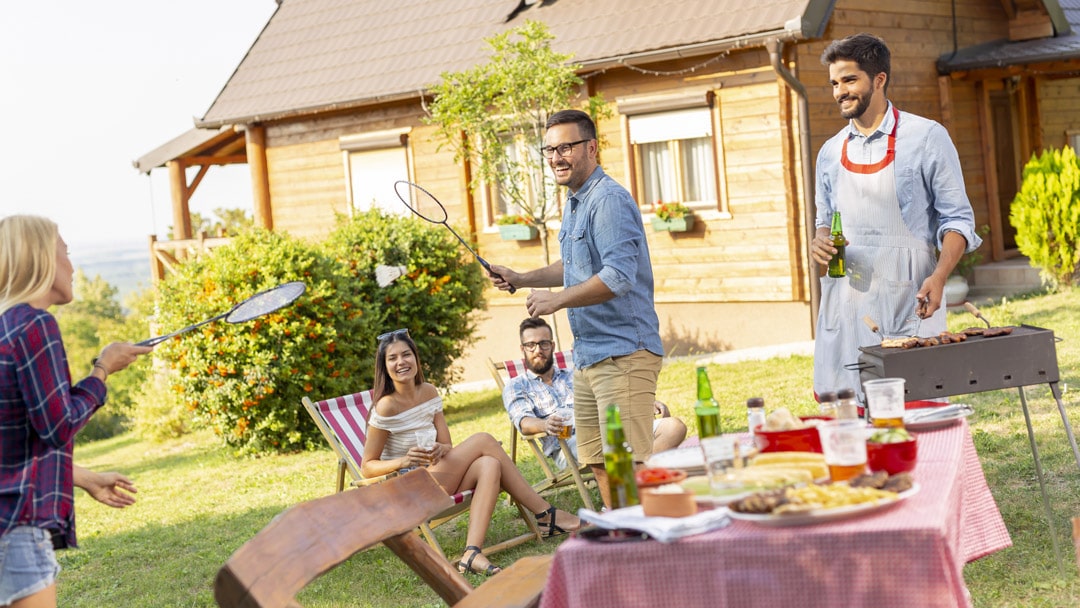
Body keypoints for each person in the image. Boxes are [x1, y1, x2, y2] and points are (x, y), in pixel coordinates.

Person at [488, 109, 664, 509]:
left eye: (565, 147)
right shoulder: (574, 202)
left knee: (626, 462)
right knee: (599, 461)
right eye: (548, 149)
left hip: (624, 351)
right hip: (588, 356)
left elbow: (618, 276)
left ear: (591, 147)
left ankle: (648, 547)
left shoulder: (609, 200)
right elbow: (574, 266)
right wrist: (522, 277)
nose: (556, 158)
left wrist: (557, 300)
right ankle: (623, 539)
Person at [811, 33, 982, 403]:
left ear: (879, 79)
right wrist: (820, 240)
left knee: (916, 406)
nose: (840, 91)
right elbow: (824, 220)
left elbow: (958, 221)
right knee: (851, 413)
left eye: (849, 80)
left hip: (910, 299)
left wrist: (939, 276)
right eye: (834, 83)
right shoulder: (829, 152)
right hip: (848, 304)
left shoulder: (926, 138)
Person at [0, 215, 153, 608]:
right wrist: (102, 371)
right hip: (16, 525)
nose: (72, 265)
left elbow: (14, 445)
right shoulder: (36, 326)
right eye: (65, 252)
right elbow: (59, 425)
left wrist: (83, 477)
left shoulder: (5, 327)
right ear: (42, 261)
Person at [360, 329, 581, 577]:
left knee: (489, 464)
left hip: (438, 478)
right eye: (393, 358)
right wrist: (404, 460)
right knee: (484, 440)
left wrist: (439, 450)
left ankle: (472, 553)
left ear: (416, 358)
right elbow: (367, 466)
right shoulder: (386, 406)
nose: (401, 362)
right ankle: (546, 514)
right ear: (384, 366)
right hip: (410, 492)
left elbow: (447, 446)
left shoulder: (429, 392)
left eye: (406, 354)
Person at [502, 317, 686, 470]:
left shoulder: (576, 374)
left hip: (608, 428)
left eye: (543, 344)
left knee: (673, 427)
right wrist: (545, 424)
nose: (538, 350)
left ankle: (633, 483)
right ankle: (636, 484)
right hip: (569, 443)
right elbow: (523, 422)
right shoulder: (516, 386)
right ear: (522, 349)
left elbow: (610, 395)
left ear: (552, 345)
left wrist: (640, 403)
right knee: (614, 447)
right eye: (531, 345)